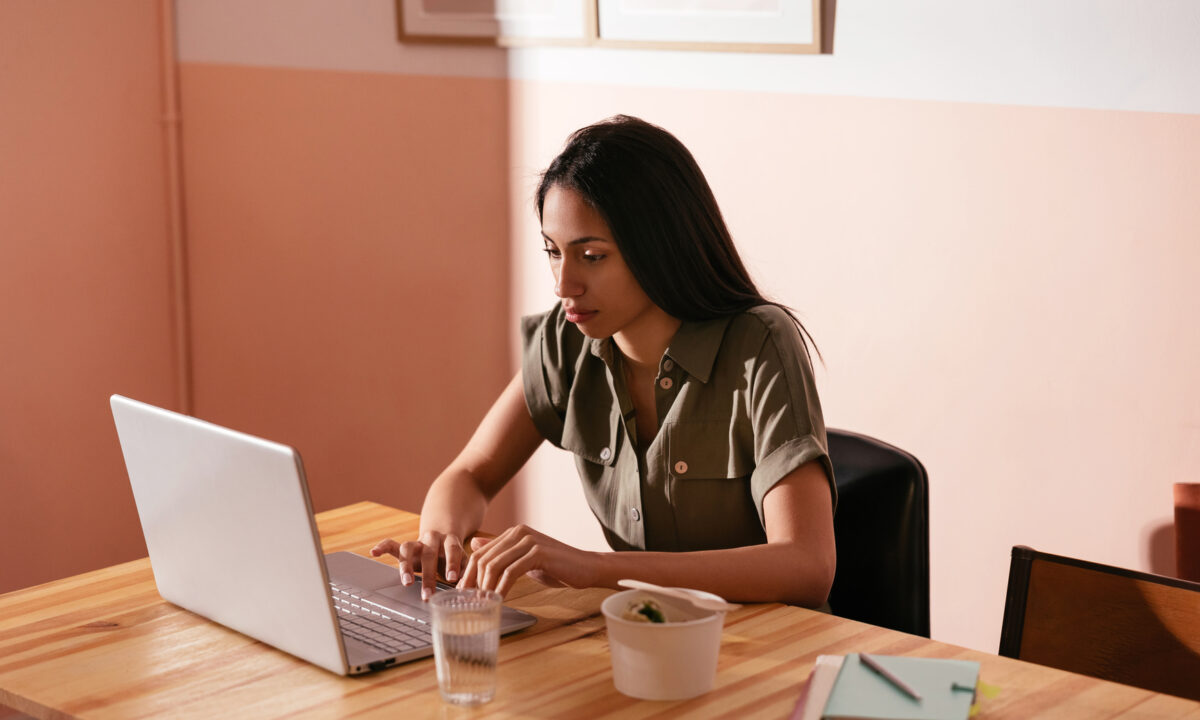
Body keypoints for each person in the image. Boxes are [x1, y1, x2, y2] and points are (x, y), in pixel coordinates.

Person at [372, 115, 836, 608]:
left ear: (659, 246)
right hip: (639, 640)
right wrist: (440, 540)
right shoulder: (568, 336)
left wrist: (595, 569)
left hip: (765, 652)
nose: (564, 284)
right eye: (554, 252)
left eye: (592, 255)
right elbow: (470, 474)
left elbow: (806, 565)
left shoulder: (758, 344)